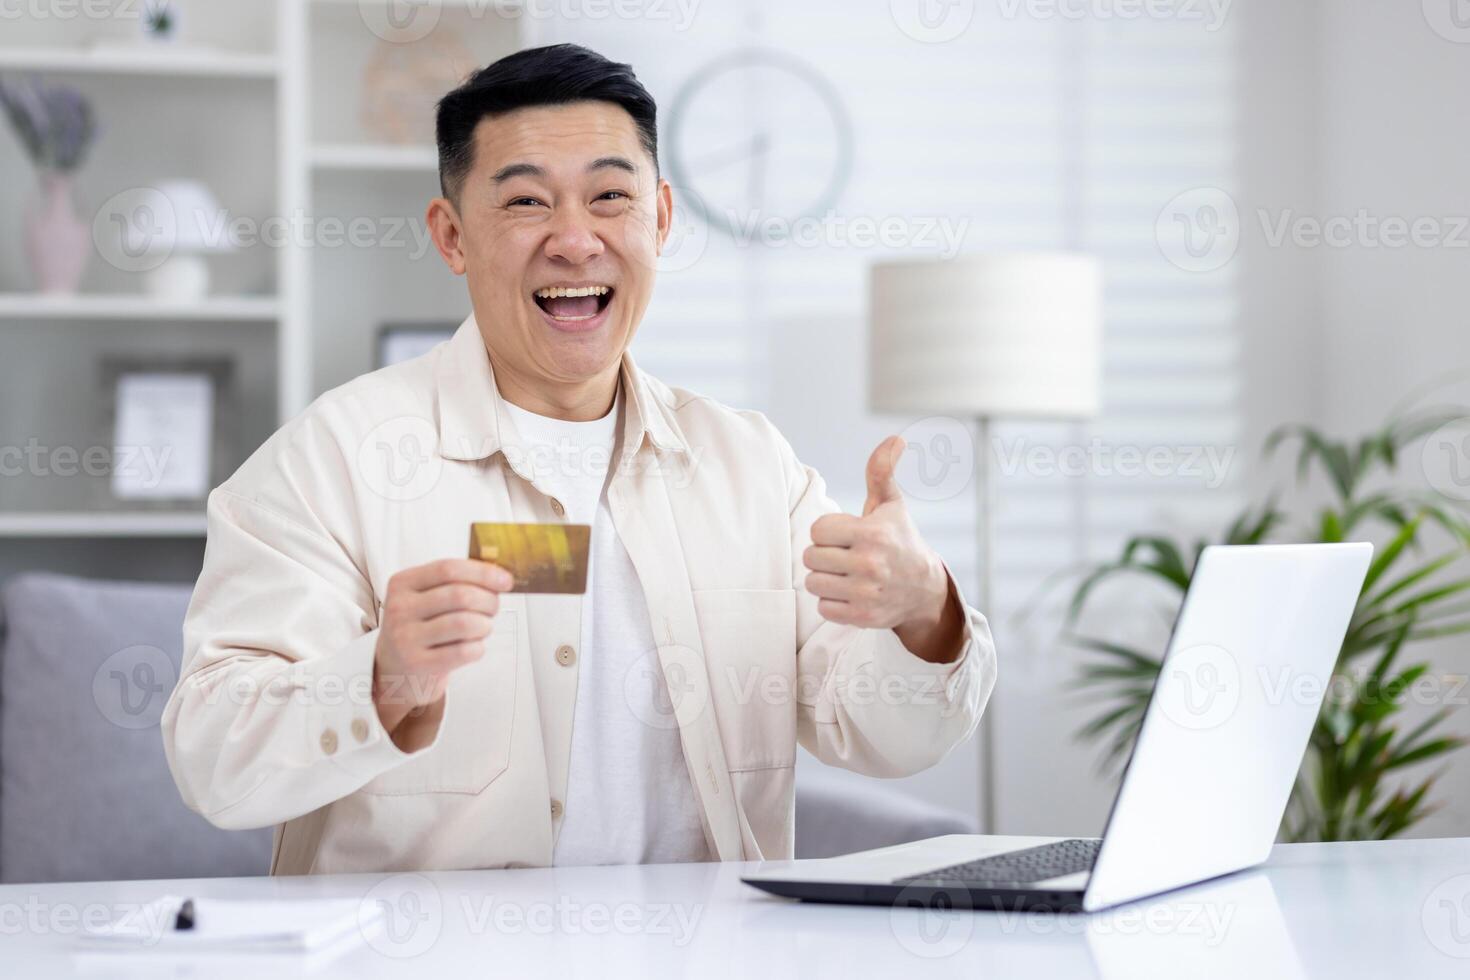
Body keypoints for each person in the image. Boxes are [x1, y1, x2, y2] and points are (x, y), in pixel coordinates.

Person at [161, 43, 995, 875]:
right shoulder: (335, 459)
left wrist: (925, 612)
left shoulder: (752, 467)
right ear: (452, 236)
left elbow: (883, 735)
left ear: (659, 220)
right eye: (526, 201)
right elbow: (211, 759)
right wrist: (380, 681)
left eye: (609, 197)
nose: (574, 239)